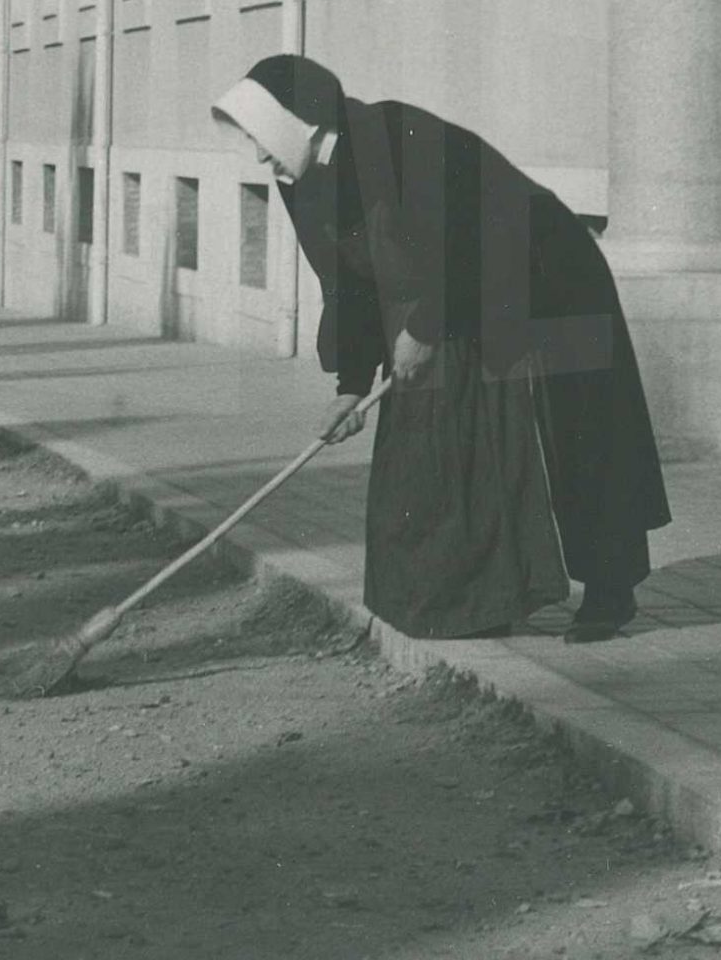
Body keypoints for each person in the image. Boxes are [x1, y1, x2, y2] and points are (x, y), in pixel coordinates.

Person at [212, 54, 669, 644]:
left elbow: (469, 234)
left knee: (577, 429)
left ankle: (610, 589)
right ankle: (492, 591)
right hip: (471, 288)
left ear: (296, 121)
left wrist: (425, 329)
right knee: (470, 436)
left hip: (548, 271)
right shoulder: (297, 179)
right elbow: (346, 282)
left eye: (260, 137)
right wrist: (351, 386)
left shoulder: (397, 136)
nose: (258, 156)